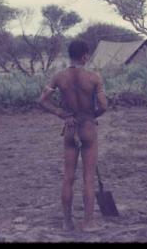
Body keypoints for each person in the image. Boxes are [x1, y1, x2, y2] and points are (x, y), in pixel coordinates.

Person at [38, 40, 108, 231]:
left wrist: (62, 114)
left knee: (68, 177)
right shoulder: (94, 77)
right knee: (88, 177)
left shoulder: (59, 77)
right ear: (85, 56)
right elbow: (103, 105)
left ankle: (67, 222)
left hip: (70, 128)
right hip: (87, 128)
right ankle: (88, 222)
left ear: (70, 55)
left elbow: (43, 101)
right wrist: (93, 116)